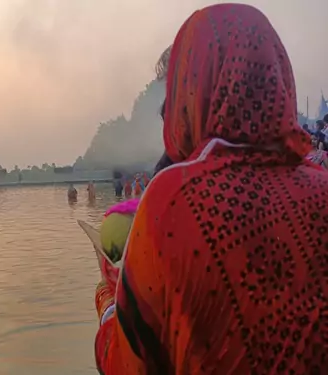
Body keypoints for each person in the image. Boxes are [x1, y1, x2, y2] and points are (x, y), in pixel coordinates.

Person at [93, 4, 326, 374]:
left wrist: (109, 297)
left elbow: (125, 365)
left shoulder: (172, 203)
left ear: (192, 92)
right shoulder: (322, 189)